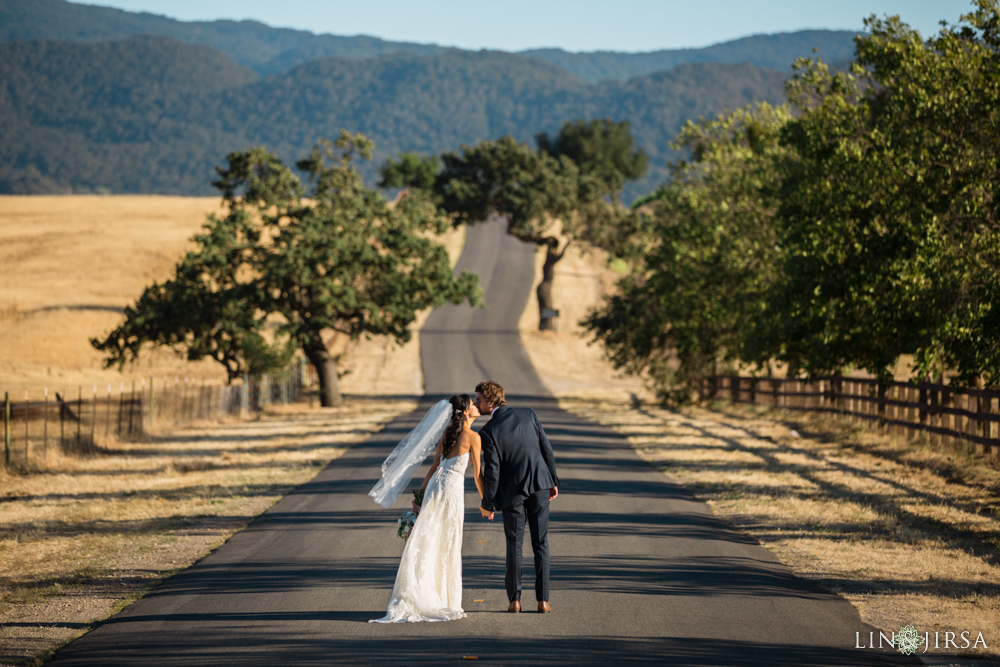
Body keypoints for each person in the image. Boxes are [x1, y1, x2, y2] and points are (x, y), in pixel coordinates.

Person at [369, 394, 484, 623]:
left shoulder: (446, 434)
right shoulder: (473, 437)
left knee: (430, 537)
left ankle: (426, 594)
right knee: (447, 539)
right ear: (464, 411)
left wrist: (420, 496)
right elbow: (478, 474)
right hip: (451, 491)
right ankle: (441, 599)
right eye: (473, 403)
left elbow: (433, 468)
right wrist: (487, 502)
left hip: (435, 487)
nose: (476, 405)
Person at [476, 380, 559, 613]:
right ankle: (543, 601)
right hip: (541, 484)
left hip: (512, 492)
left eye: (479, 400)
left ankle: (515, 600)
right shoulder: (529, 414)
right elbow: (546, 449)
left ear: (491, 402)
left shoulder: (488, 431)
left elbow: (493, 471)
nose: (476, 403)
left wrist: (488, 504)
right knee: (541, 543)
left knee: (514, 545)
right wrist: (552, 480)